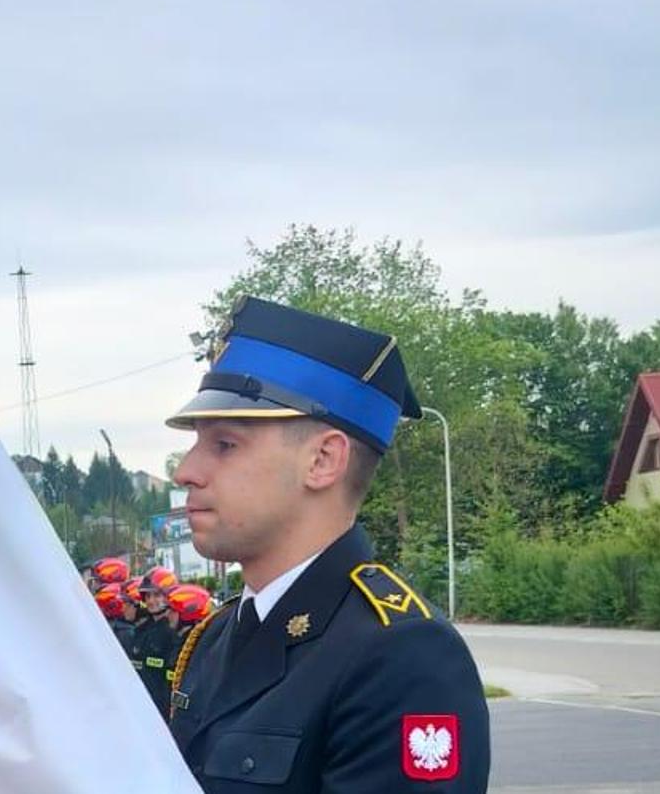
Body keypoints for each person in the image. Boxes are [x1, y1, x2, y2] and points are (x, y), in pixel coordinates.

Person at [163, 297, 490, 792]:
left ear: (322, 461)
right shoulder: (214, 636)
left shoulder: (400, 656)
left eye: (224, 445)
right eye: (196, 444)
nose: (186, 472)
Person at [124, 571, 180, 717]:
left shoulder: (173, 632)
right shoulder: (141, 629)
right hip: (140, 705)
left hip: (162, 711)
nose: (150, 601)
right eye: (148, 596)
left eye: (156, 595)